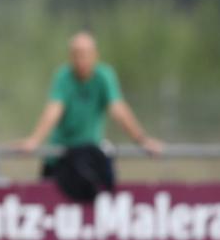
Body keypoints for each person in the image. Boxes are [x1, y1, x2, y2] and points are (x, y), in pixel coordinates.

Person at [16, 31, 164, 192]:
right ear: (70, 57)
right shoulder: (63, 77)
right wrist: (35, 140)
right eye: (76, 55)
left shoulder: (104, 76)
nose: (81, 60)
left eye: (85, 54)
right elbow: (54, 110)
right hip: (59, 157)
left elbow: (118, 110)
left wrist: (142, 140)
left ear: (95, 55)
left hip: (88, 158)